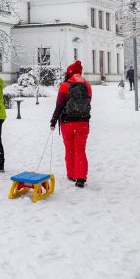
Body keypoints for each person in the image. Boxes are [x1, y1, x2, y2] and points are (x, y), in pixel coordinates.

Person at [50, 60, 92, 188]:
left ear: (69, 73)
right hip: (83, 123)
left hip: (67, 123)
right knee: (80, 150)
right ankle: (80, 177)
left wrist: (53, 121)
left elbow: (59, 106)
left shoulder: (64, 86)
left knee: (69, 149)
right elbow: (87, 103)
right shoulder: (87, 86)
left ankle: (71, 174)